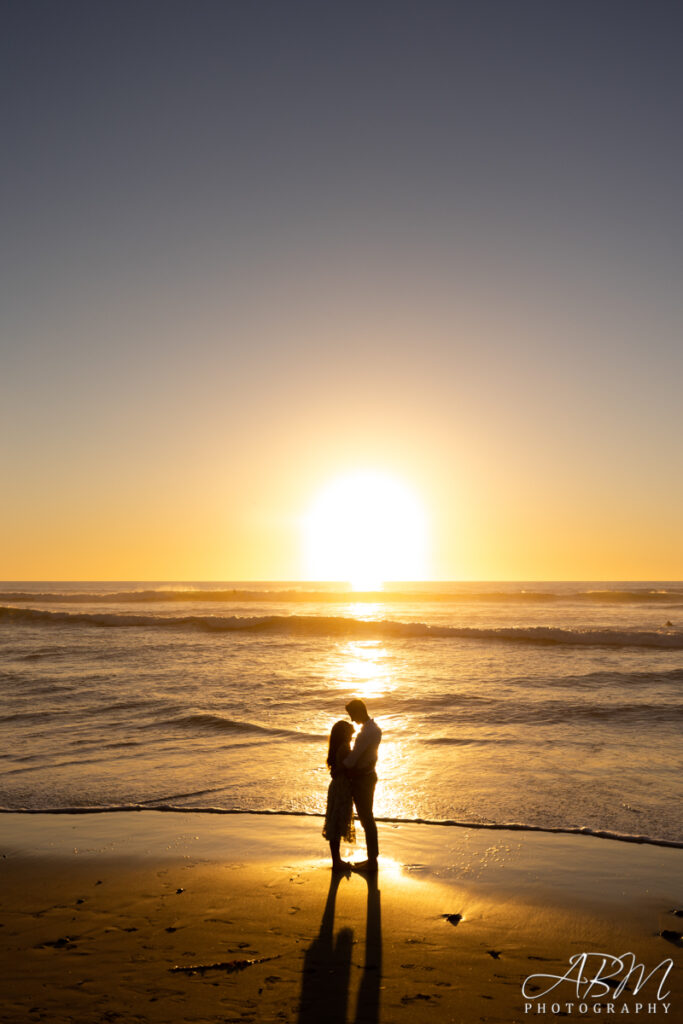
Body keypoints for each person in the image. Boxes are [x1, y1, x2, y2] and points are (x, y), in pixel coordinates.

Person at [344, 698, 382, 873]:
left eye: (352, 715)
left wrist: (339, 764)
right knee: (368, 818)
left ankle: (372, 862)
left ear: (359, 712)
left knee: (367, 819)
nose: (351, 720)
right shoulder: (374, 729)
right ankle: (372, 859)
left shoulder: (365, 733)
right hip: (369, 775)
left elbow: (352, 760)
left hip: (363, 779)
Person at [322, 720, 356, 871]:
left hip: (337, 787)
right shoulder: (344, 747)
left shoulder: (338, 747)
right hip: (341, 787)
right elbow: (347, 767)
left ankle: (337, 860)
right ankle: (337, 862)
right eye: (350, 732)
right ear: (344, 734)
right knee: (336, 823)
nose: (352, 735)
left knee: (334, 823)